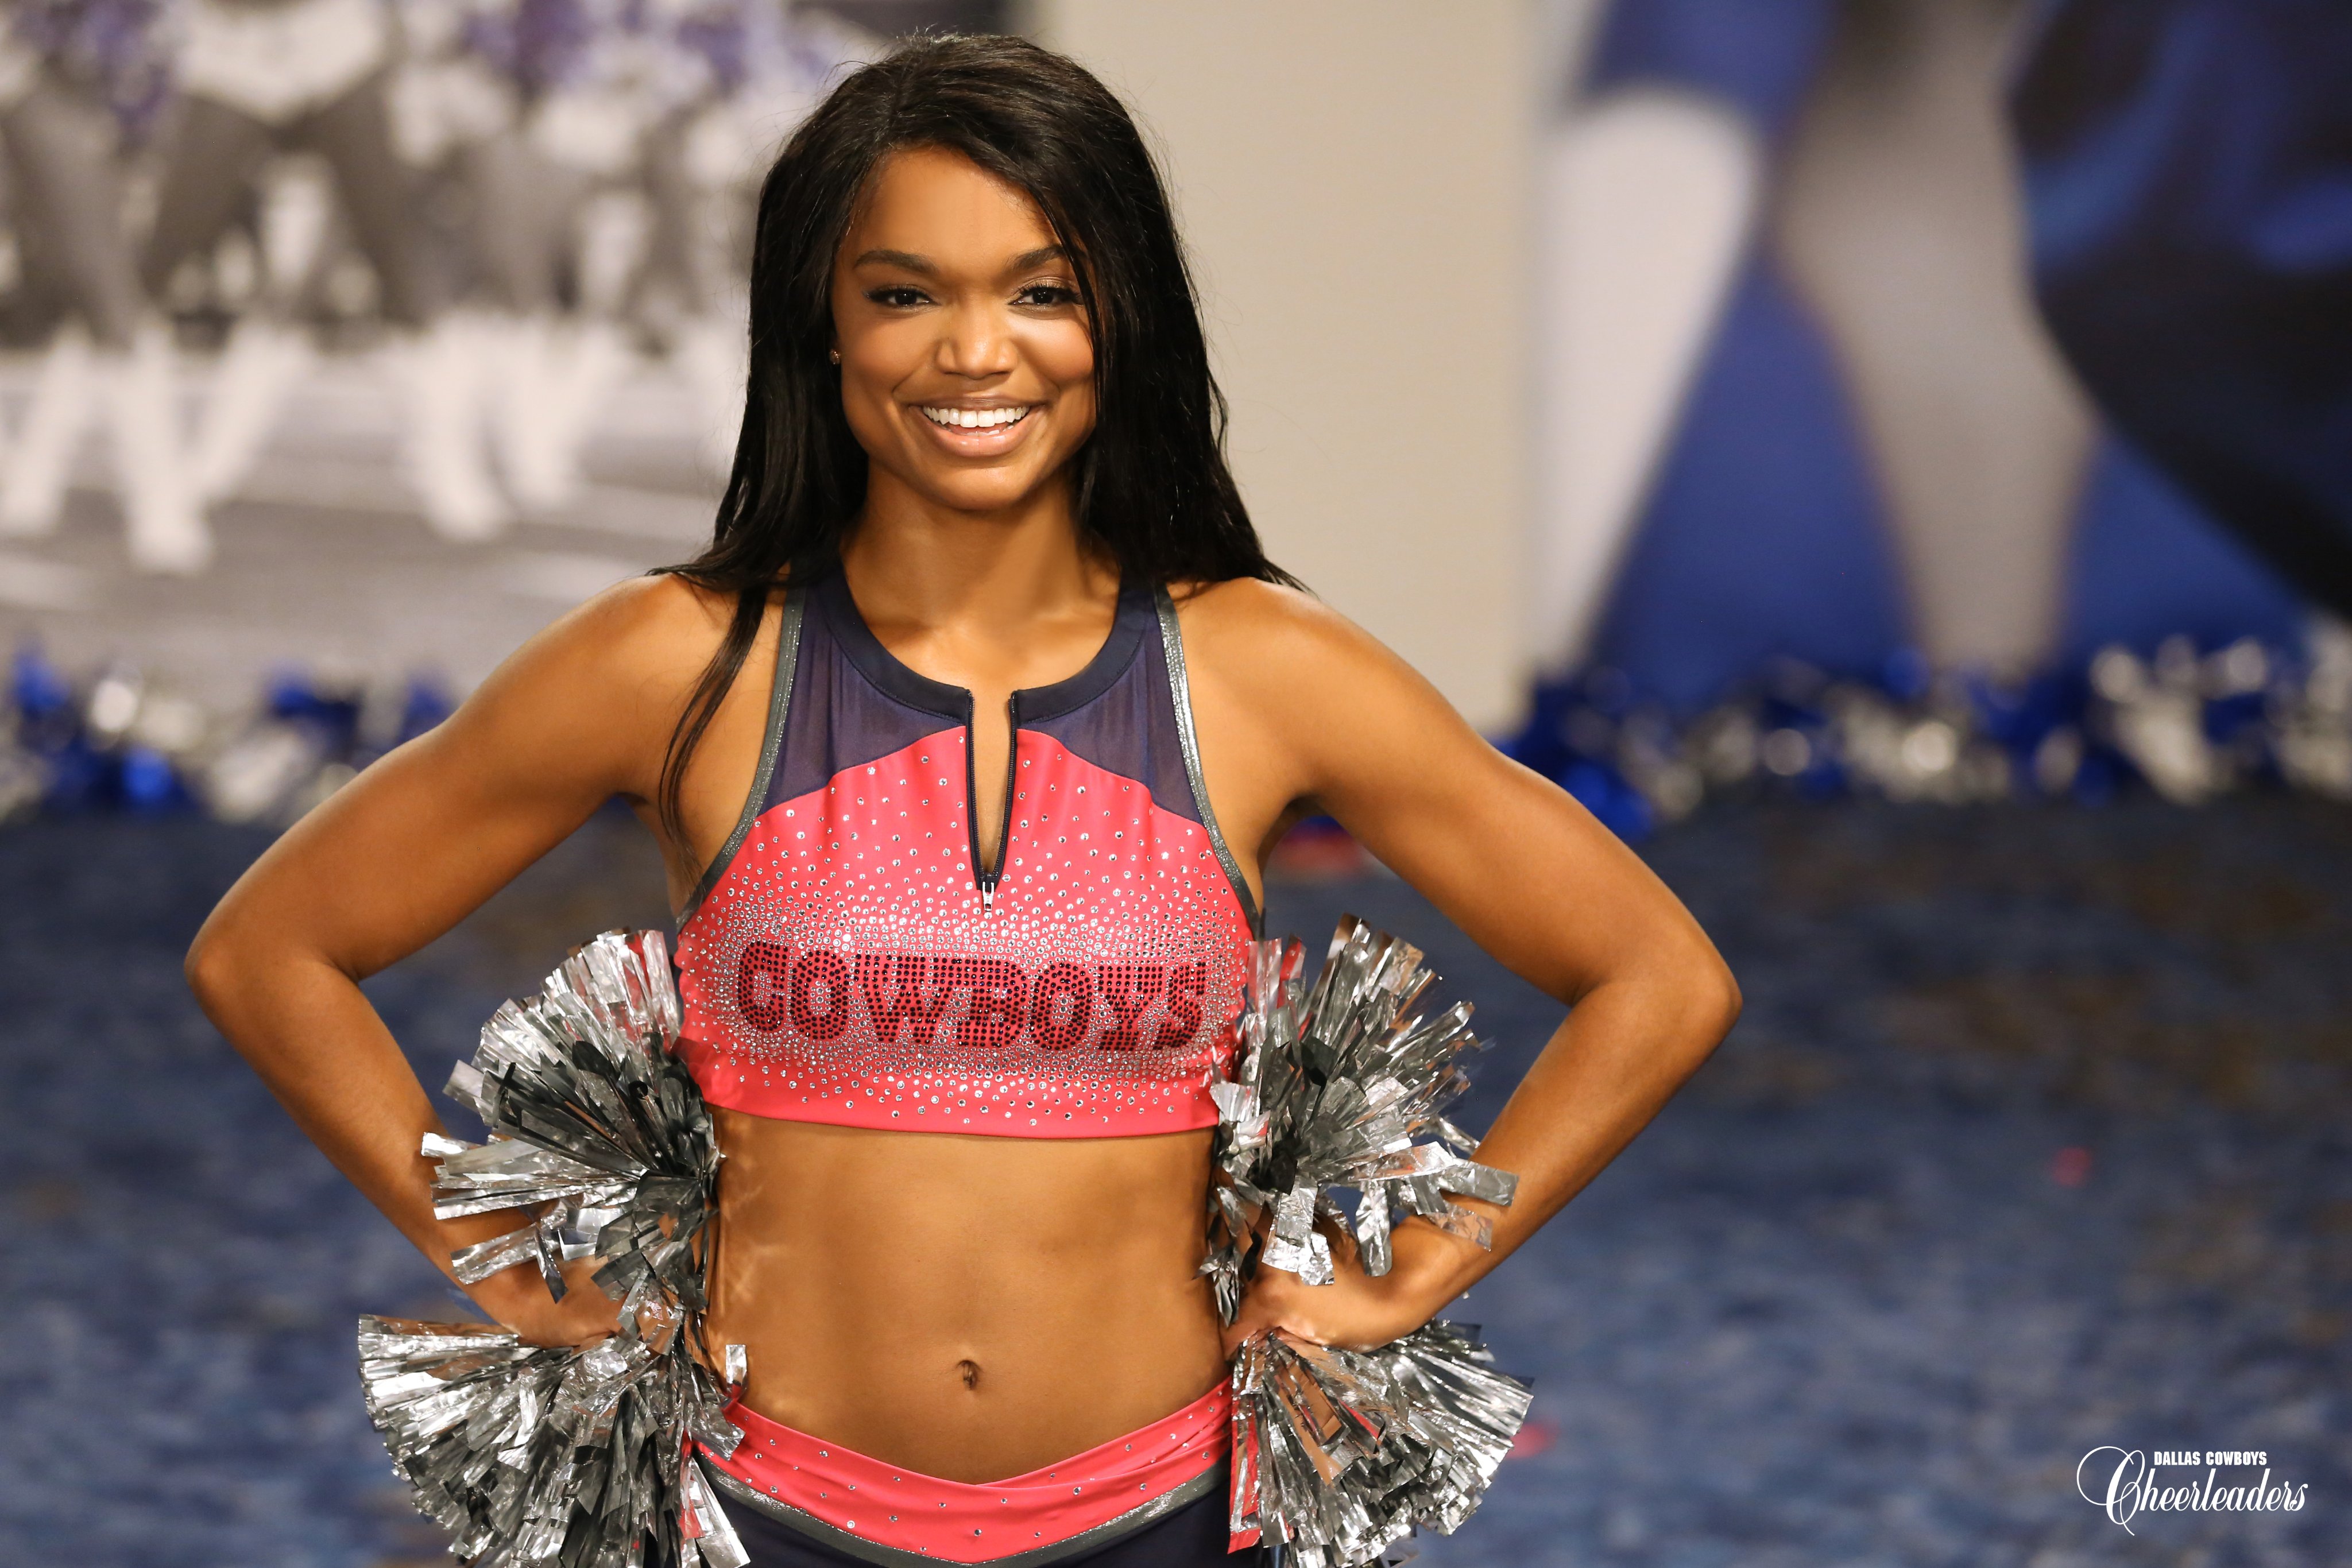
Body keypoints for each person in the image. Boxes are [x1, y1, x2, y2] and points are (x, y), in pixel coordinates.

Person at [186, 34, 1740, 1566]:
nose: (976, 352)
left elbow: (1657, 975)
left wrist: (1408, 1277)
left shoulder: (1264, 666)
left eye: (1042, 291)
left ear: (1120, 314)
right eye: (906, 293)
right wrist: (509, 1265)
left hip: (1170, 1519)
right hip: (752, 1513)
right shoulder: (676, 659)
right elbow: (271, 952)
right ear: (824, 325)